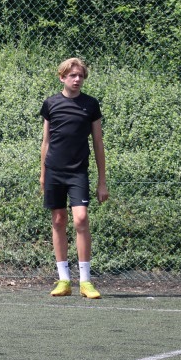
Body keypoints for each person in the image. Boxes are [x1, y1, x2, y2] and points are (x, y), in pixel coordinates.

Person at [41, 57, 108, 299]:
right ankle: (64, 280)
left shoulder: (91, 104)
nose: (77, 79)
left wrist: (102, 181)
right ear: (62, 77)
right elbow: (46, 142)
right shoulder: (50, 104)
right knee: (59, 220)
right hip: (54, 171)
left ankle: (86, 281)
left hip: (78, 172)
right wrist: (43, 175)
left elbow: (98, 143)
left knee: (80, 219)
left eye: (80, 75)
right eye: (72, 75)